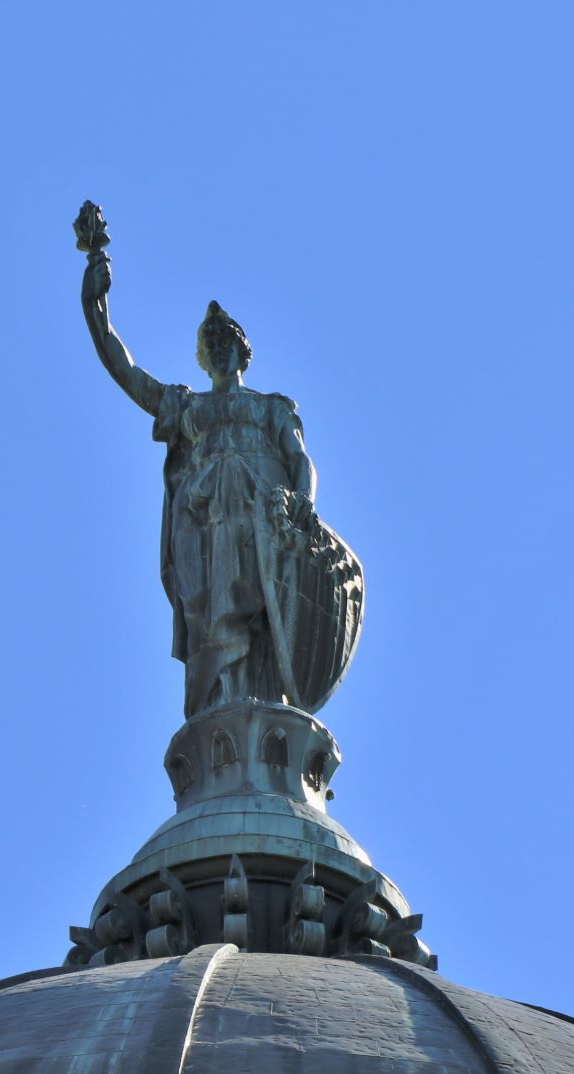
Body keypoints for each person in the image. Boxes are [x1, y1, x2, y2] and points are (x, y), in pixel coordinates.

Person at [79, 229, 357, 719]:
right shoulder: (188, 408)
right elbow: (126, 371)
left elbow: (299, 460)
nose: (219, 345)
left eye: (226, 339)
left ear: (241, 351)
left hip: (262, 526)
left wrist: (305, 501)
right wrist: (96, 304)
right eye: (211, 341)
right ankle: (222, 717)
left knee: (266, 623)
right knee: (212, 620)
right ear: (203, 358)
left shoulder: (272, 409)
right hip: (205, 530)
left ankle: (265, 715)